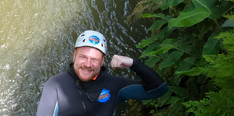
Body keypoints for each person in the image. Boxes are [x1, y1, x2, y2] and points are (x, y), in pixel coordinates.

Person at [36, 30, 168, 116]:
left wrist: (134, 63)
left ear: (102, 61)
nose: (88, 64)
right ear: (74, 56)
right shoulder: (56, 85)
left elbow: (158, 90)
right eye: (83, 57)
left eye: (94, 59)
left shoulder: (114, 85)